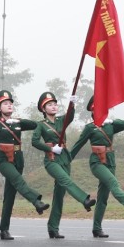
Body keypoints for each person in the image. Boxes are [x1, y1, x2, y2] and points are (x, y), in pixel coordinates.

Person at [0, 90, 49, 240]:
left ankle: (4, 230)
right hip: (4, 160)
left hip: (19, 159)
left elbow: (34, 125)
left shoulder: (17, 122)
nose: (9, 105)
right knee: (19, 181)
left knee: (9, 196)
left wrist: (19, 121)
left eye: (11, 103)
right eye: (5, 103)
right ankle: (36, 201)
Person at [69, 96, 124, 238]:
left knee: (103, 197)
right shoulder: (90, 128)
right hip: (97, 162)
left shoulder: (110, 125)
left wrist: (111, 121)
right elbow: (77, 146)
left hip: (110, 161)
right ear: (93, 109)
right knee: (113, 182)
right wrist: (66, 160)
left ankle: (97, 228)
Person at [31, 92, 96, 239]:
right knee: (66, 180)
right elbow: (34, 142)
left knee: (59, 195)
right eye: (49, 105)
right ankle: (84, 199)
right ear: (43, 108)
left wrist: (72, 104)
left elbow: (70, 117)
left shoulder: (61, 120)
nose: (53, 106)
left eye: (55, 104)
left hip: (64, 159)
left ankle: (53, 228)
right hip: (52, 160)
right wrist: (51, 148)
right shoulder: (41, 125)